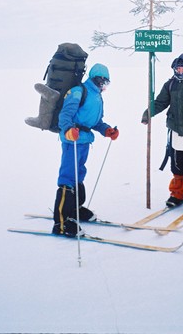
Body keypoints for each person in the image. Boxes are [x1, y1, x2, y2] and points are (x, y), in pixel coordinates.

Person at [52, 63, 119, 237]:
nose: (105, 86)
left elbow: (96, 122)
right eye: (103, 82)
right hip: (72, 140)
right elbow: (65, 115)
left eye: (107, 83)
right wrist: (68, 130)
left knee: (79, 174)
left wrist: (107, 130)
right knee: (68, 176)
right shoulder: (78, 91)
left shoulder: (97, 96)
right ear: (96, 79)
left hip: (84, 141)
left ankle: (75, 210)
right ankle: (61, 223)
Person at [141, 53, 183, 211]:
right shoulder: (170, 84)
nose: (179, 70)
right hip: (175, 131)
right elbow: (160, 102)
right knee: (177, 165)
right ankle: (177, 194)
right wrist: (148, 113)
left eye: (182, 67)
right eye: (177, 68)